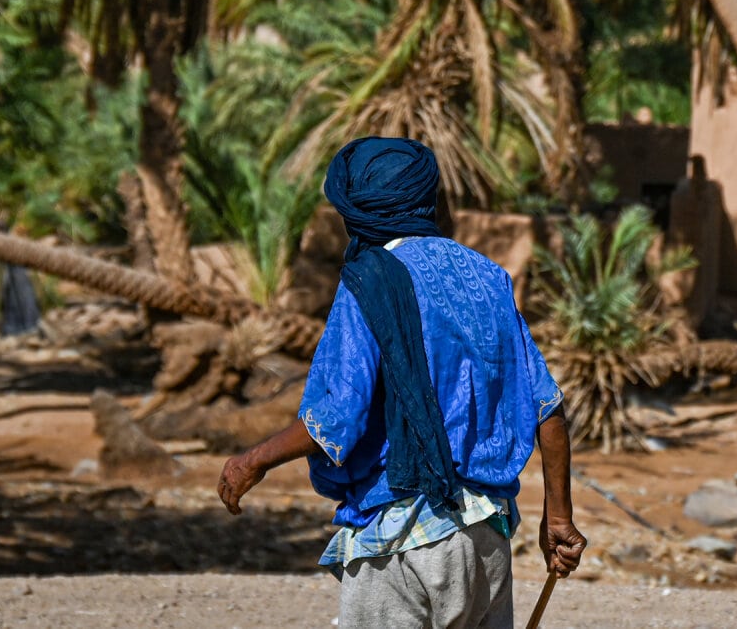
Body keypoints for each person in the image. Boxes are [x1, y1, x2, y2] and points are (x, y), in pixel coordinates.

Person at [217, 137, 586, 628]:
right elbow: (548, 409)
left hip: (403, 537)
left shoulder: (370, 280)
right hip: (486, 537)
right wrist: (557, 518)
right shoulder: (488, 278)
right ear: (426, 199)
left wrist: (251, 460)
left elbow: (337, 417)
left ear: (356, 209)